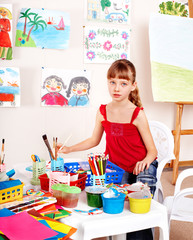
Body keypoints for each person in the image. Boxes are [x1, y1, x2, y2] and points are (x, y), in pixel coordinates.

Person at [57, 59, 158, 240]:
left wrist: (145, 161)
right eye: (112, 82)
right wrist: (70, 148)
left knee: (138, 209)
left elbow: (152, 151)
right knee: (112, 206)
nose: (116, 88)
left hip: (141, 167)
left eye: (123, 83)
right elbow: (94, 140)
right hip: (117, 167)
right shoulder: (103, 111)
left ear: (133, 86)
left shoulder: (138, 114)